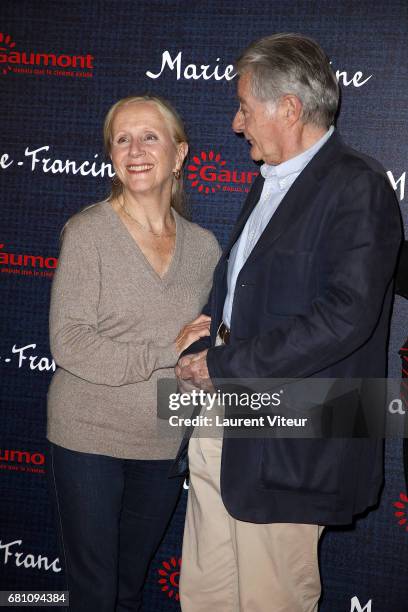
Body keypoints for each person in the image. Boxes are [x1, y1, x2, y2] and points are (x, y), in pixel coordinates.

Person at [174, 34, 402, 612]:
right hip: (223, 419)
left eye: (245, 107)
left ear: (290, 109)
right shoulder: (271, 180)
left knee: (271, 597)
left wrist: (222, 362)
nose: (234, 122)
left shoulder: (357, 186)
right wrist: (207, 333)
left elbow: (345, 318)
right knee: (206, 594)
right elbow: (246, 291)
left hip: (290, 442)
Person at [47, 94, 220, 612]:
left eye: (150, 137)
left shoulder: (206, 248)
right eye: (122, 139)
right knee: (96, 593)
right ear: (111, 156)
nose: (135, 149)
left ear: (180, 153)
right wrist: (165, 350)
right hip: (89, 438)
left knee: (128, 588)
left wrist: (200, 367)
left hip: (164, 443)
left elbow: (201, 346)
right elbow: (70, 342)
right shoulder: (88, 233)